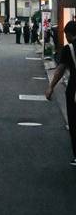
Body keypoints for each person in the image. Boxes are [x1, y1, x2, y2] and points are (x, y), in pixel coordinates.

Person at [45, 19, 76, 166]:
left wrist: (51, 87)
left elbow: (60, 70)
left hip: (74, 91)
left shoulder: (69, 49)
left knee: (74, 122)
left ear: (69, 34)